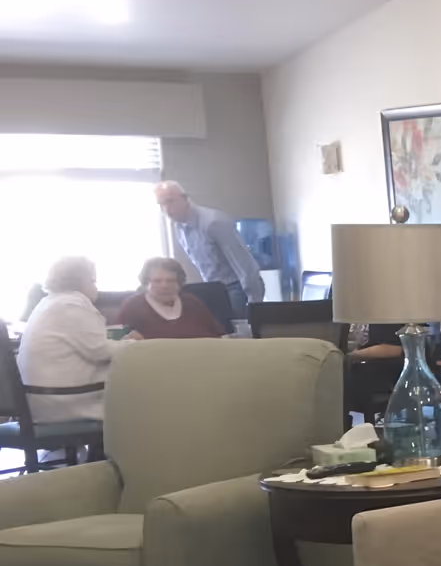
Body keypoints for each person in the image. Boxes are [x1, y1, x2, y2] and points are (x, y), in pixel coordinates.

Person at [17, 256, 139, 424]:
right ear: (80, 281)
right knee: (148, 398)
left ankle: (101, 450)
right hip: (66, 400)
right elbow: (101, 352)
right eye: (93, 281)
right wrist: (134, 344)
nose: (96, 287)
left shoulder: (49, 303)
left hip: (43, 399)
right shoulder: (73, 304)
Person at [154, 181, 263, 321]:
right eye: (161, 204)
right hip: (214, 289)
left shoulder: (214, 222)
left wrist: (255, 305)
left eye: (170, 202)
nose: (166, 209)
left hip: (238, 289)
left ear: (185, 198)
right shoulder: (179, 228)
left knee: (239, 339)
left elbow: (245, 264)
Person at [115, 257, 226, 341]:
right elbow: (116, 342)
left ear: (179, 283)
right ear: (146, 283)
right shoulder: (132, 306)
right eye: (157, 281)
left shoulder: (192, 303)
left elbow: (218, 337)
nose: (165, 286)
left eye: (170, 281)